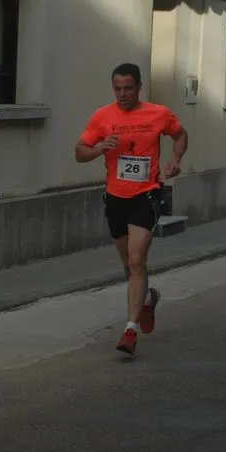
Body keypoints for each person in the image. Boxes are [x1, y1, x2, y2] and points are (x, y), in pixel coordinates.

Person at [75, 62, 188, 357]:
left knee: (137, 260)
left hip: (146, 196)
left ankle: (129, 330)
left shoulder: (158, 114)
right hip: (115, 198)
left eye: (128, 88)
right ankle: (147, 298)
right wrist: (99, 148)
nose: (122, 94)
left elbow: (180, 135)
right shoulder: (102, 116)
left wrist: (175, 160)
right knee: (129, 265)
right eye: (117, 89)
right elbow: (79, 152)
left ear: (139, 87)